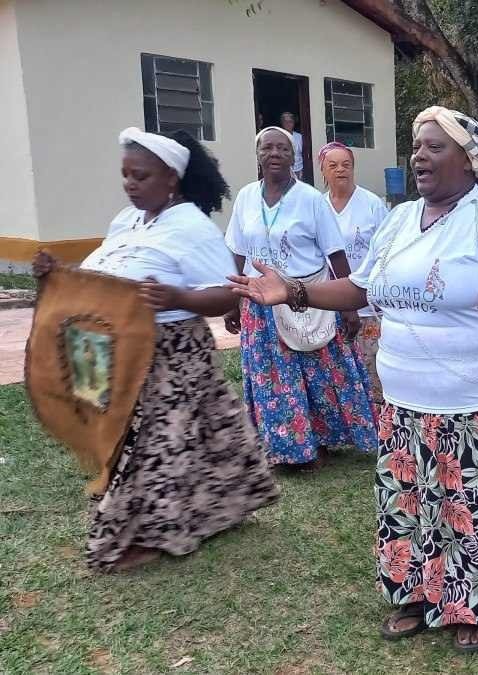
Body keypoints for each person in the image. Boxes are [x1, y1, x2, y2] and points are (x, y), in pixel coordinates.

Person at [227, 106, 478, 654]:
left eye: (434, 146)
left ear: (469, 161)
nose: (419, 155)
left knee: (472, 500)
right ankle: (418, 591)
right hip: (404, 399)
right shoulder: (401, 219)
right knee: (413, 501)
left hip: (473, 399)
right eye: (417, 146)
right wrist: (295, 291)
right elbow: (360, 288)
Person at [33, 127, 279, 572]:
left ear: (171, 179)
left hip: (173, 353)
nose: (130, 184)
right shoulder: (124, 223)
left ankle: (143, 534)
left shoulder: (192, 228)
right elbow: (106, 276)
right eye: (126, 175)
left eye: (141, 176)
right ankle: (225, 505)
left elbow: (226, 295)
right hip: (119, 352)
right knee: (202, 434)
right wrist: (60, 274)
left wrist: (178, 298)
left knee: (155, 444)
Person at [223, 126, 376, 470]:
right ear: (258, 154)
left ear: (294, 156)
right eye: (268, 148)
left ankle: (320, 441)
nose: (275, 153)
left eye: (283, 148)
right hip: (260, 302)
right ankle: (286, 446)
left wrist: (349, 306)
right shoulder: (246, 196)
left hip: (308, 298)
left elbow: (336, 254)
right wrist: (233, 300)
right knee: (273, 378)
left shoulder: (310, 199)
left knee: (318, 374)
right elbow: (236, 251)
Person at [319, 141, 390, 407]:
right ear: (323, 170)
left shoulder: (372, 204)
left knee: (372, 365)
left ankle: (379, 420)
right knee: (335, 367)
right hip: (326, 302)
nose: (341, 170)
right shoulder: (317, 206)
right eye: (333, 165)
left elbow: (386, 250)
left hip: (366, 302)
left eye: (346, 165)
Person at [281, 112, 304, 181]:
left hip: (299, 170)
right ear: (282, 123)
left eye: (290, 121)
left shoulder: (299, 137)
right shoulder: (279, 137)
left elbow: (304, 154)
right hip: (284, 171)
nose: (288, 124)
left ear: (294, 123)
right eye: (285, 122)